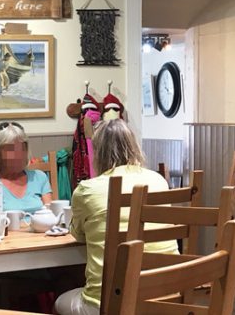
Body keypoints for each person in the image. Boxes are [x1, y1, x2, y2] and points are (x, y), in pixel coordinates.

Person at [55, 119, 178, 315]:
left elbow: (78, 236)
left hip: (109, 303)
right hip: (164, 295)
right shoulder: (158, 180)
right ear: (134, 146)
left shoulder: (88, 189)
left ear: (98, 152)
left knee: (61, 301)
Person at [0, 122, 53, 213]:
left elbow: (50, 214)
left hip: (39, 227)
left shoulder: (39, 177)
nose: (18, 154)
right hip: (5, 227)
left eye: (22, 148)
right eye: (11, 149)